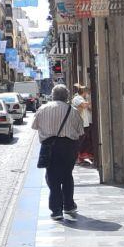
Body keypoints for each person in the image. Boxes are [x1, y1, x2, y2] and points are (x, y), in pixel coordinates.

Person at [32, 84, 85, 220]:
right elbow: (80, 131)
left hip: (49, 146)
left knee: (52, 177)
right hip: (68, 146)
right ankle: (68, 205)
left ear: (53, 95)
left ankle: (56, 210)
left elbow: (34, 126)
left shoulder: (42, 109)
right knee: (67, 175)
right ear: (66, 96)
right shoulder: (73, 111)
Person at [72, 84, 94, 165]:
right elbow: (83, 105)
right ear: (84, 92)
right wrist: (92, 100)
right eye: (87, 92)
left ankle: (83, 156)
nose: (87, 94)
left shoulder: (83, 99)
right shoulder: (77, 98)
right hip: (81, 124)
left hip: (86, 124)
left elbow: (88, 108)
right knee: (80, 141)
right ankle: (77, 157)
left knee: (85, 140)